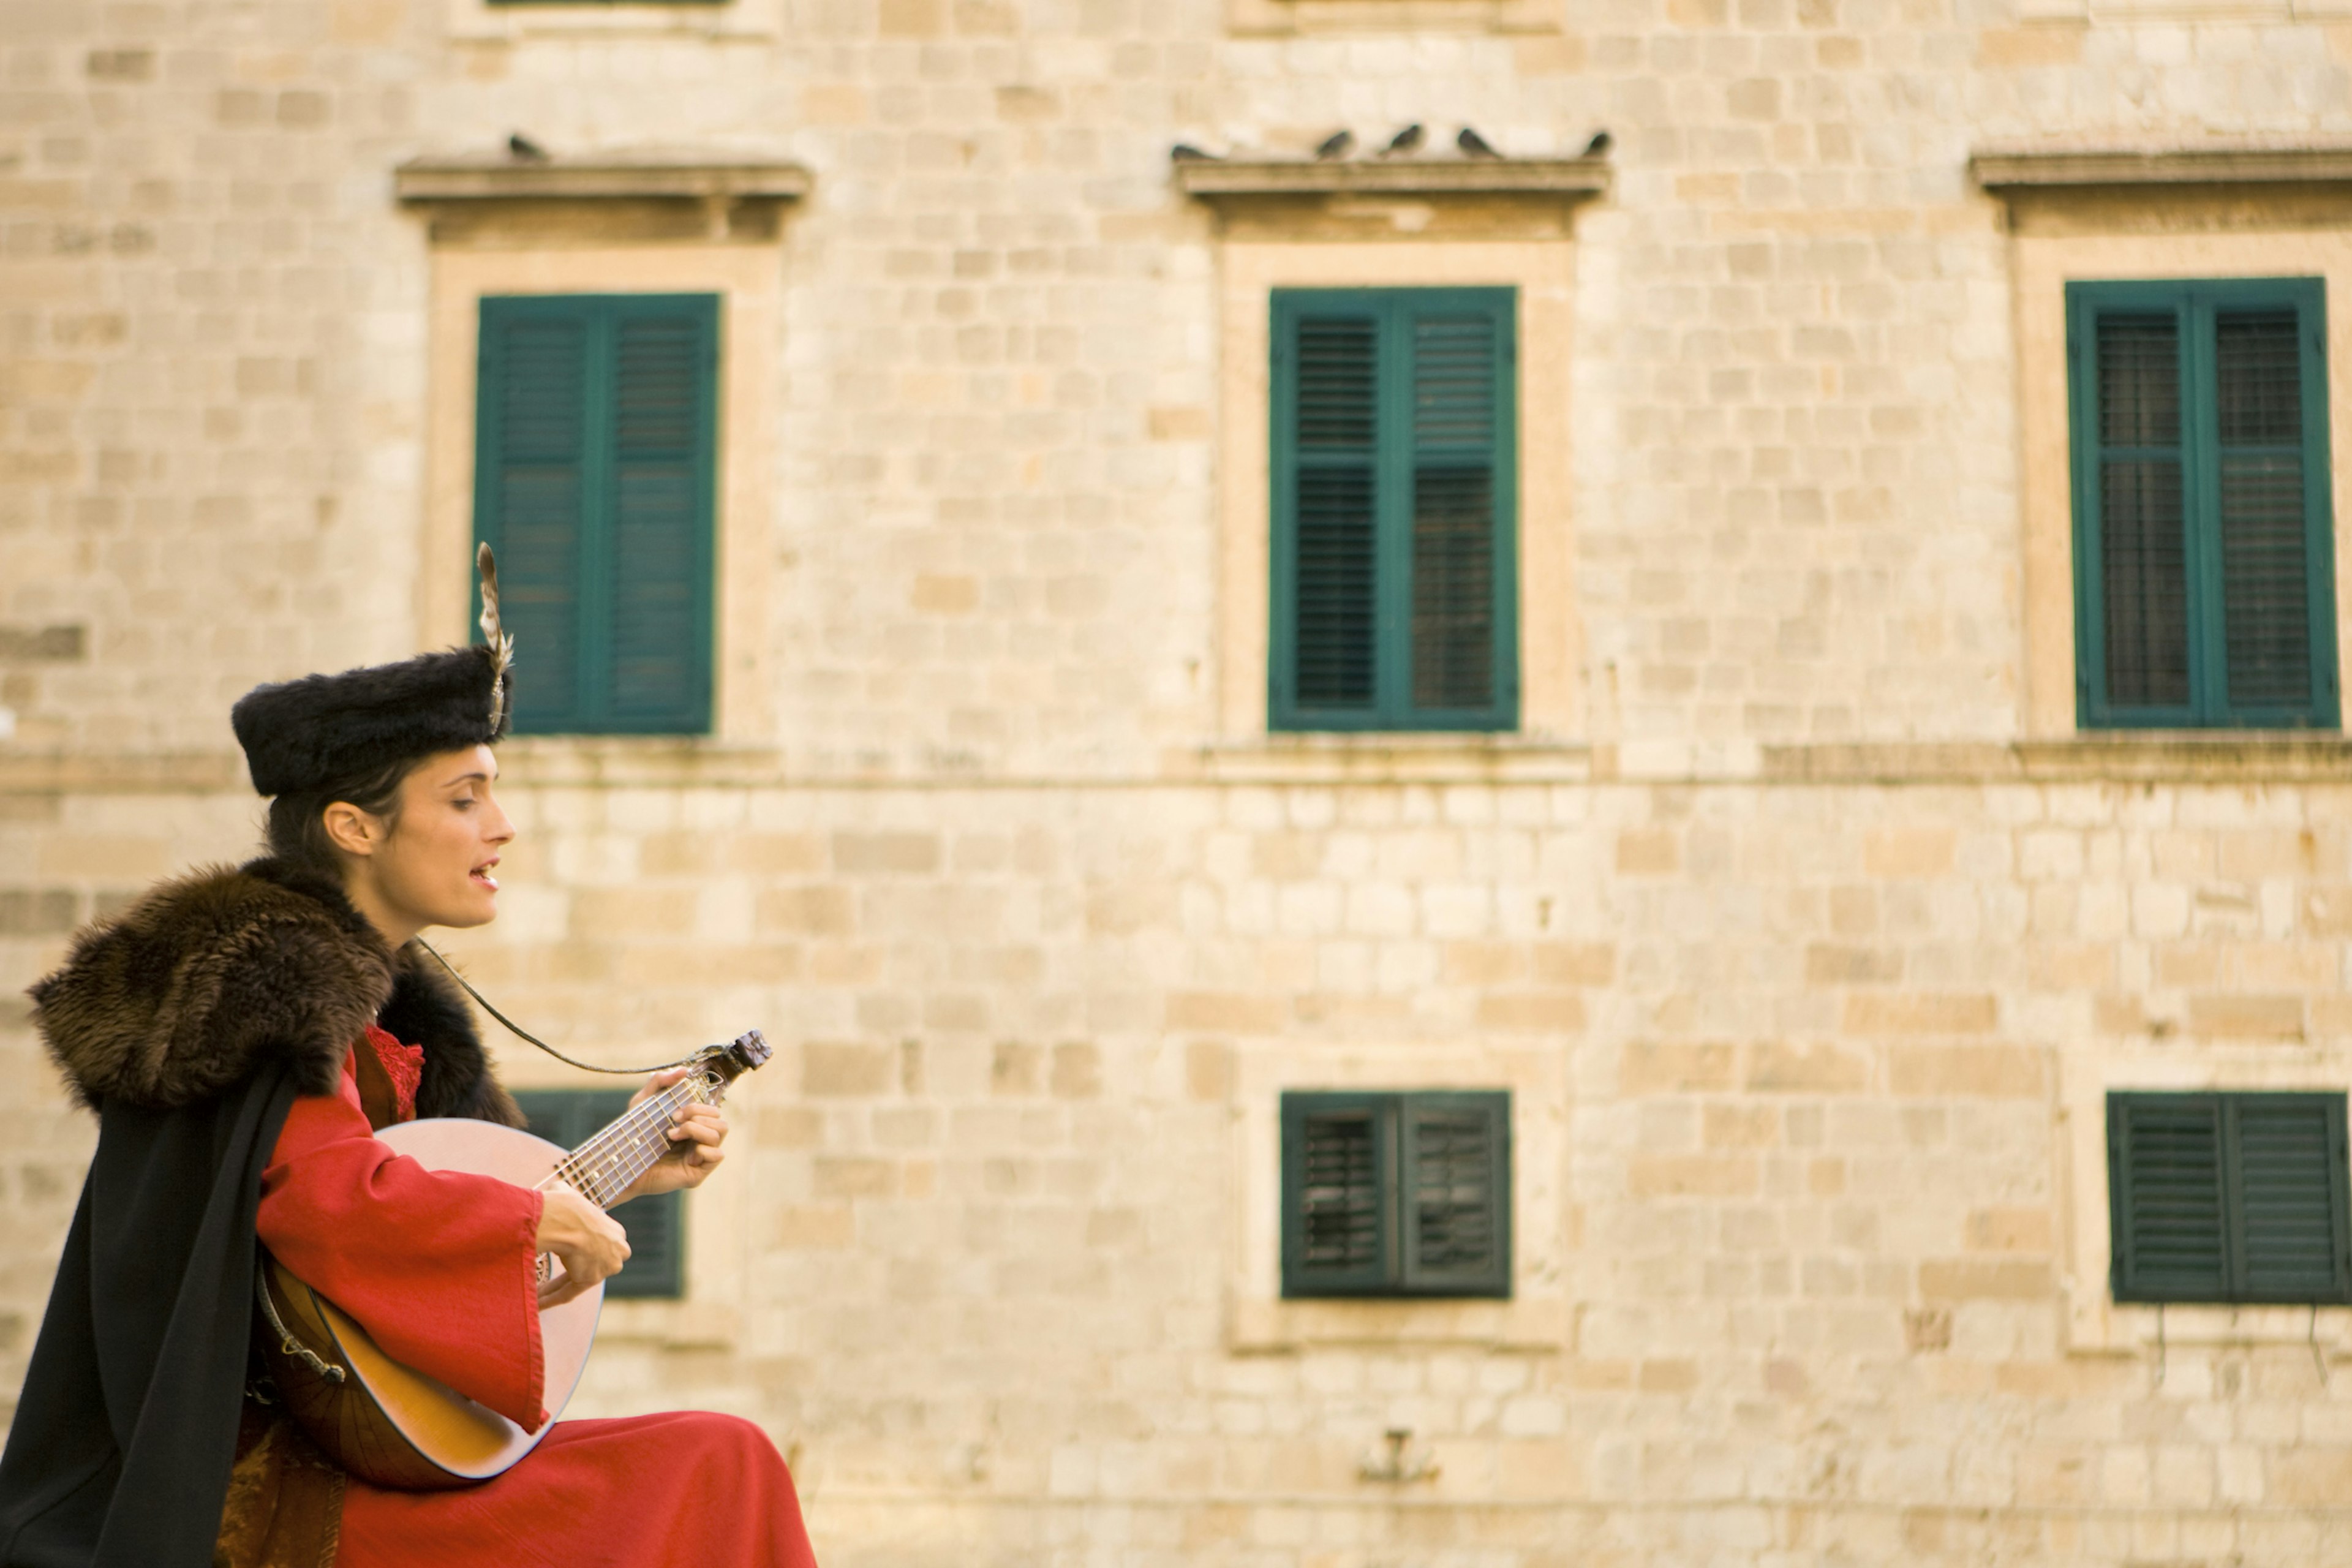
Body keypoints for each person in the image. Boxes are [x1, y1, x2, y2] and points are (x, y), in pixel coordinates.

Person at [0, 549, 818, 1568]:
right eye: (465, 798)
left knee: (719, 1460)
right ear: (354, 826)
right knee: (716, 1466)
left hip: (355, 1456)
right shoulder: (260, 998)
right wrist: (535, 1214)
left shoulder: (397, 1021)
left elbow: (408, 1255)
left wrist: (619, 1176)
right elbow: (325, 1199)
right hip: (265, 1495)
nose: (503, 828)